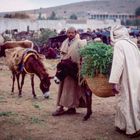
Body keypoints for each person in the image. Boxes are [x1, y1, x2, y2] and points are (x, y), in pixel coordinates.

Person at [109, 25, 140, 137]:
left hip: (126, 77)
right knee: (134, 101)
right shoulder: (133, 44)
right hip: (136, 77)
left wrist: (114, 82)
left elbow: (118, 64)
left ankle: (132, 129)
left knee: (126, 101)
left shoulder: (119, 44)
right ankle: (122, 125)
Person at [52, 27, 87, 116]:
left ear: (75, 33)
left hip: (74, 70)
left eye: (72, 33)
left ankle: (71, 108)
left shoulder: (80, 43)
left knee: (72, 90)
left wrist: (81, 68)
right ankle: (61, 107)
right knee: (63, 88)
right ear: (67, 33)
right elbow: (62, 55)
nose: (70, 34)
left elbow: (84, 56)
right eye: (69, 33)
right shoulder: (64, 42)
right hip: (64, 70)